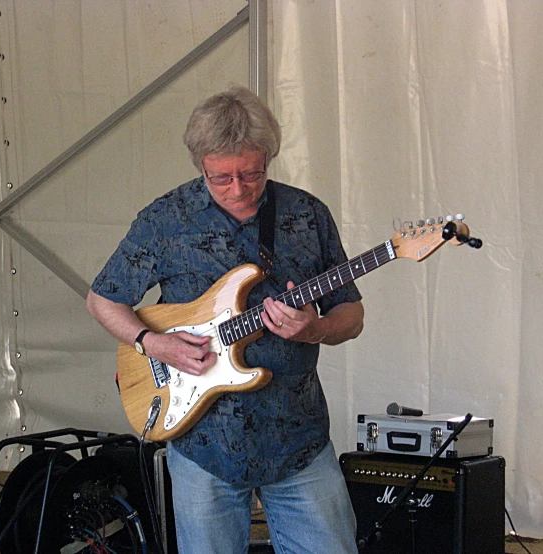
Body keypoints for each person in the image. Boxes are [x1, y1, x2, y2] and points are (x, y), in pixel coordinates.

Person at [87, 86, 364, 554]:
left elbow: (350, 314)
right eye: (221, 178)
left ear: (269, 160)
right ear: (200, 165)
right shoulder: (165, 220)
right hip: (204, 444)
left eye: (251, 174)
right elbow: (103, 300)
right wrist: (153, 344)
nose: (238, 189)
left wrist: (314, 327)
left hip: (296, 438)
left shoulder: (306, 214)